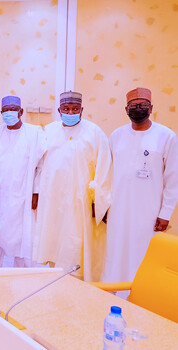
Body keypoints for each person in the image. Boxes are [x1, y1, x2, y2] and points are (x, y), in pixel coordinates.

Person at [32, 91, 112, 281]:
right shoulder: (48, 132)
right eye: (66, 109)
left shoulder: (95, 132)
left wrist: (99, 200)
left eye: (75, 109)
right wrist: (36, 192)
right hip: (53, 198)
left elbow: (105, 167)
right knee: (55, 239)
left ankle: (77, 283)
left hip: (82, 200)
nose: (70, 112)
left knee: (77, 242)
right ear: (59, 111)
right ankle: (55, 281)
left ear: (82, 110)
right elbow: (39, 166)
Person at [103, 87, 178, 282]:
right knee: (116, 253)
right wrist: (104, 206)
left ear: (151, 107)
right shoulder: (116, 136)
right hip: (119, 209)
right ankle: (115, 294)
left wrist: (165, 213)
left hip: (150, 212)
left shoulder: (166, 136)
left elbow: (173, 178)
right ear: (126, 110)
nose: (138, 108)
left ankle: (141, 297)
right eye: (133, 105)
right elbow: (106, 173)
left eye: (143, 105)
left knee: (143, 253)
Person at [0, 95, 47, 267]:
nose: (9, 113)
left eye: (13, 109)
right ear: (1, 112)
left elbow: (41, 167)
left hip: (22, 195)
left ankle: (21, 276)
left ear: (21, 111)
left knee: (21, 238)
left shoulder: (35, 133)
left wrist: (36, 192)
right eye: (6, 110)